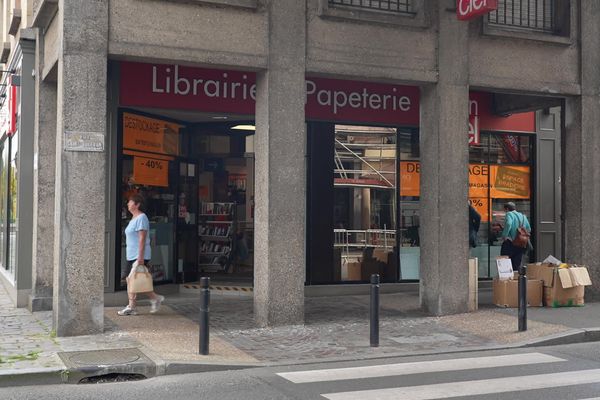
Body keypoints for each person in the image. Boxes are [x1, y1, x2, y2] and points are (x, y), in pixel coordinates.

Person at [118, 194, 165, 316]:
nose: (128, 204)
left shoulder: (142, 218)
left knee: (133, 279)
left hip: (138, 255)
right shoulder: (134, 218)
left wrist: (140, 257)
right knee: (131, 279)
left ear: (137, 204)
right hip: (132, 254)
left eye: (130, 202)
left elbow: (142, 239)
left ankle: (134, 305)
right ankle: (151, 299)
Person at [499, 201, 531, 271]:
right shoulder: (523, 216)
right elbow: (529, 228)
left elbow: (508, 224)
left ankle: (506, 279)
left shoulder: (509, 214)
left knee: (504, 262)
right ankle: (516, 280)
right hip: (520, 244)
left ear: (507, 209)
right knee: (516, 264)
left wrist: (504, 235)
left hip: (510, 242)